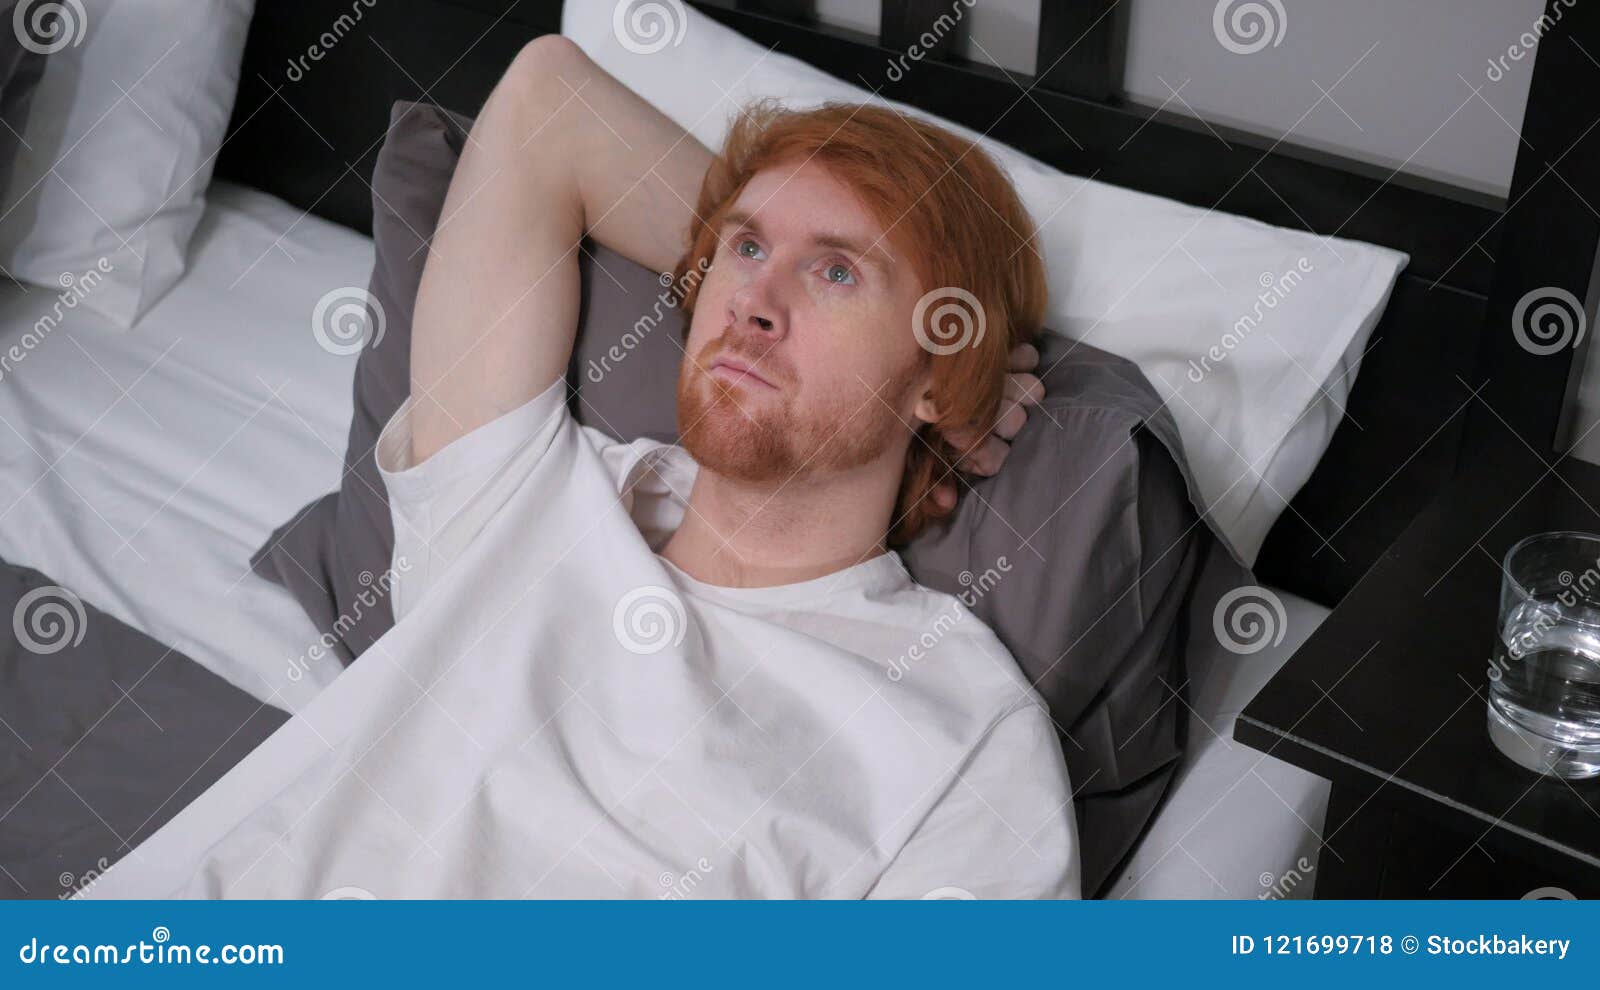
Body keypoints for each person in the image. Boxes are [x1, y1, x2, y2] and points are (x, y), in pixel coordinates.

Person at [89, 35, 1081, 900]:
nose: (752, 302)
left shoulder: (961, 729)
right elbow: (546, 103)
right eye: (742, 249)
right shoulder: (526, 497)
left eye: (834, 271)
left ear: (938, 371)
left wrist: (962, 359)